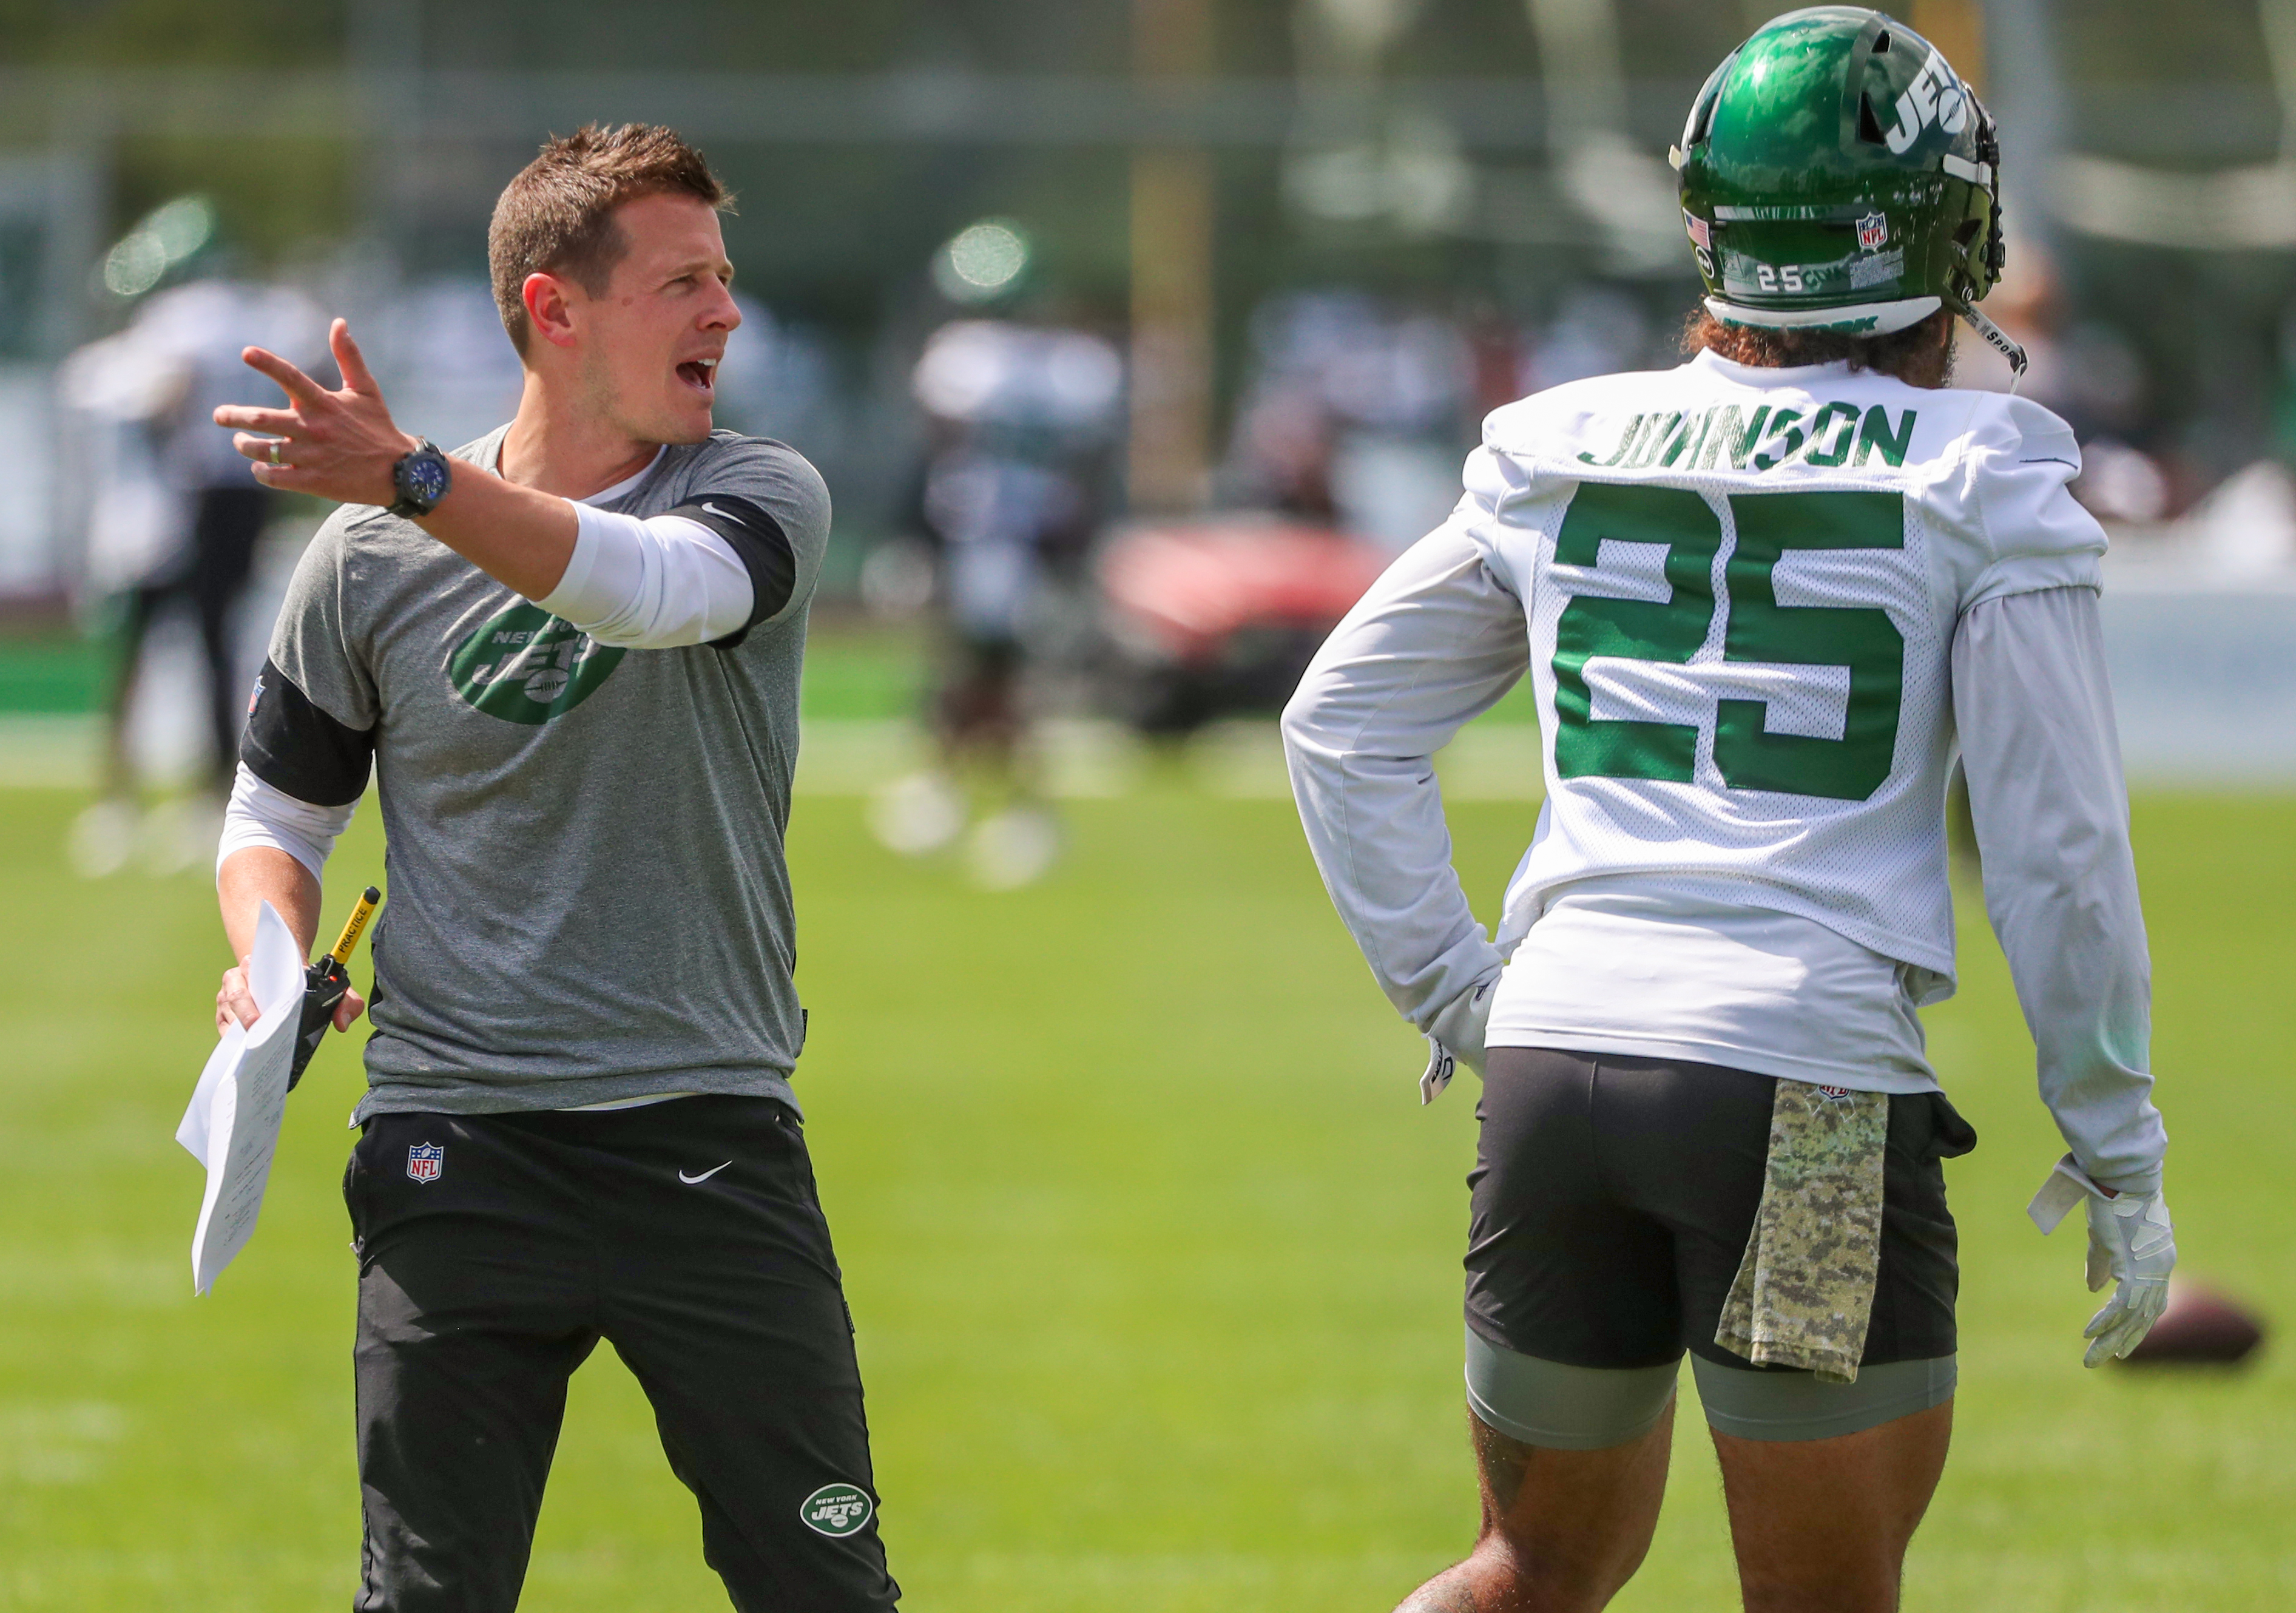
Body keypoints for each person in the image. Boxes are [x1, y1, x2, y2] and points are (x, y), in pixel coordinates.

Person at [1280, 12, 2172, 1611]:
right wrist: (2116, 1139)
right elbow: (2059, 853)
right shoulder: (1984, 469)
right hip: (1810, 1095)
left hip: (1557, 1069)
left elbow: (1341, 725)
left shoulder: (1563, 439)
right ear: (1944, 223)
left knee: (1528, 1568)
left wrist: (1463, 992)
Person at [208, 124, 898, 1611]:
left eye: (725, 279)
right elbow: (277, 813)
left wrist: (409, 476)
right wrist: (269, 962)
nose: (726, 312)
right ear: (554, 309)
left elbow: (649, 593)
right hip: (455, 1149)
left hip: (706, 1131)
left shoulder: (759, 492)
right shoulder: (367, 559)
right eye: (683, 283)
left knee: (827, 1592)